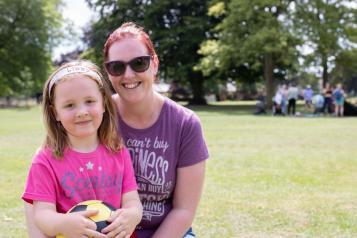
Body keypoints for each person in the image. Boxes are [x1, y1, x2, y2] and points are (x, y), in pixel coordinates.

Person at [25, 22, 209, 238]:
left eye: (139, 63)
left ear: (155, 63)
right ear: (108, 73)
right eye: (117, 66)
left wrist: (133, 214)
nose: (128, 74)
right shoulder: (90, 119)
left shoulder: (183, 125)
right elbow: (38, 203)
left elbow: (183, 209)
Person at [22, 60, 142, 238]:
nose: (82, 111)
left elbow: (132, 201)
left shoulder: (118, 151)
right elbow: (41, 215)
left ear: (103, 104)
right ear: (55, 112)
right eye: (70, 105)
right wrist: (63, 223)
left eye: (90, 101)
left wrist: (132, 215)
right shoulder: (45, 160)